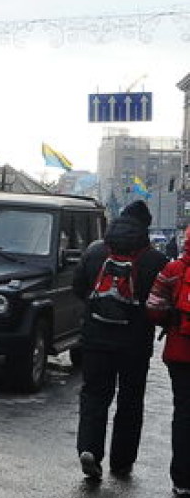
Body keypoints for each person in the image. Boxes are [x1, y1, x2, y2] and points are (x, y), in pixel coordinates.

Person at [72, 199, 168, 482]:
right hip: (135, 344)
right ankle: (122, 462)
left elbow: (80, 289)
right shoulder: (154, 259)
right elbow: (158, 304)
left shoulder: (95, 251)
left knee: (94, 395)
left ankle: (89, 450)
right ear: (145, 228)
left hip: (95, 340)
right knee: (130, 400)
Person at [145, 224, 190, 497]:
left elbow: (152, 307)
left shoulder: (174, 271)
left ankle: (182, 480)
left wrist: (169, 320)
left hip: (179, 352)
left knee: (183, 413)